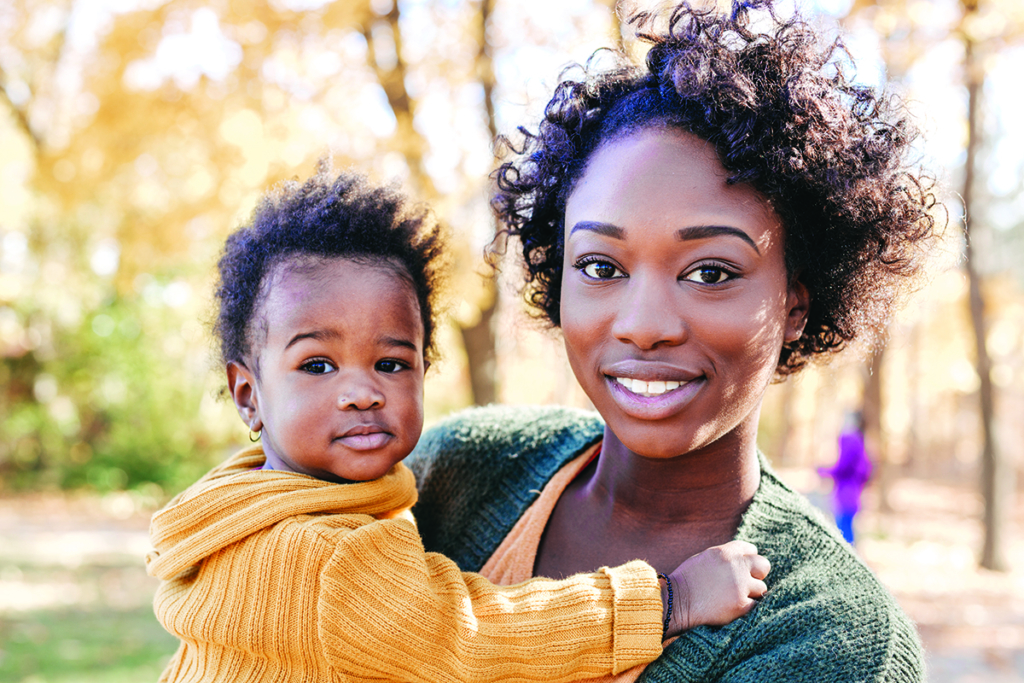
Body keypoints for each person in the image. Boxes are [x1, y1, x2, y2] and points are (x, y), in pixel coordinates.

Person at [407, 2, 936, 681]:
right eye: (601, 267)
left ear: (795, 302)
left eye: (710, 272)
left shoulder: (836, 640)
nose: (644, 323)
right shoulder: (456, 475)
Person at [145, 167, 772, 683]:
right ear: (249, 396)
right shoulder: (325, 558)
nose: (363, 392)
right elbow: (473, 638)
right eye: (317, 364)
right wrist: (669, 601)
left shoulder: (249, 505)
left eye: (391, 363)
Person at [818, 412, 873, 543]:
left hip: (845, 494)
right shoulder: (860, 440)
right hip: (853, 494)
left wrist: (824, 471)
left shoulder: (850, 439)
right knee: (846, 531)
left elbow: (843, 467)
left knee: (844, 534)